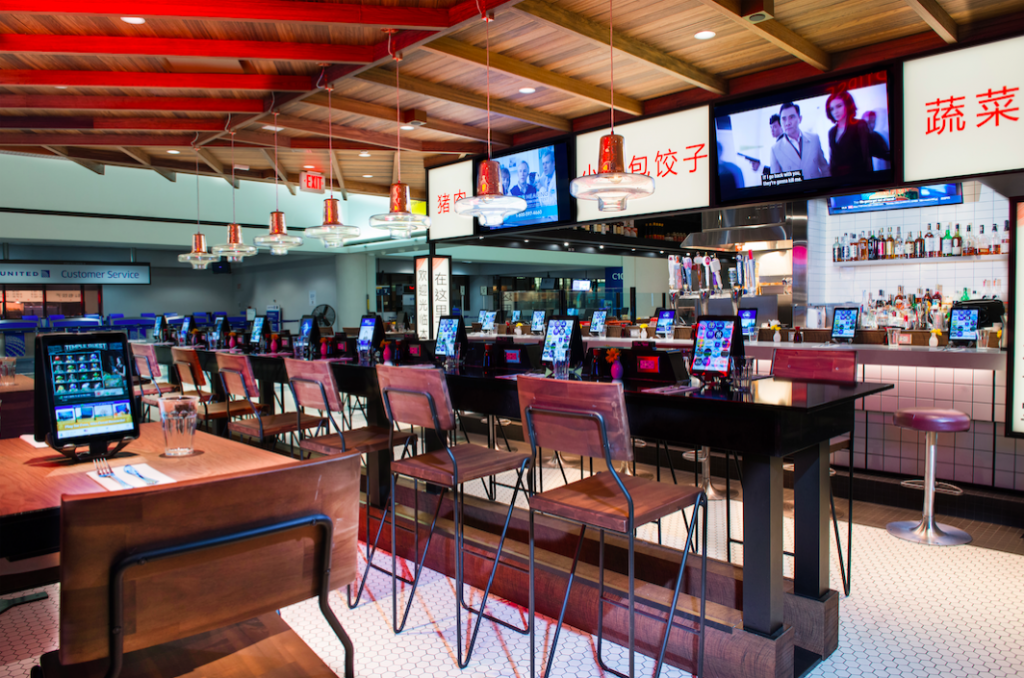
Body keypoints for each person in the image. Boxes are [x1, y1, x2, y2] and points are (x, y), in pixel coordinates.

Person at [826, 91, 889, 177]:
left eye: (839, 106)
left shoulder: (859, 125)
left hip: (858, 177)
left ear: (848, 105)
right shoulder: (832, 132)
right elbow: (833, 159)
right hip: (839, 180)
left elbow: (866, 154)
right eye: (832, 109)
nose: (835, 112)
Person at [769, 102, 830, 180]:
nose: (787, 123)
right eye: (784, 119)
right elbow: (777, 181)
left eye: (791, 117)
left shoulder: (814, 138)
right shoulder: (775, 149)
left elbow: (825, 168)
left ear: (800, 119)